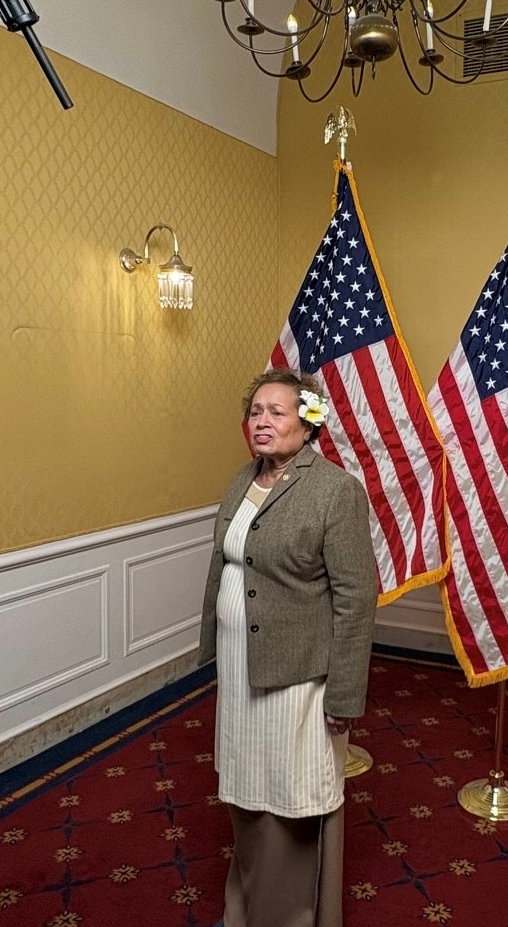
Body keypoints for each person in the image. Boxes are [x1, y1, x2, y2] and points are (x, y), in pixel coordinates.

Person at [199, 367, 378, 927]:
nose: (262, 422)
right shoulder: (240, 481)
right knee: (247, 790)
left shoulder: (335, 491)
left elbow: (357, 598)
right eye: (255, 411)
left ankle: (292, 916)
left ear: (308, 423)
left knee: (293, 798)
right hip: (240, 670)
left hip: (299, 679)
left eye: (277, 412)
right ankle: (246, 908)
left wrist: (344, 696)